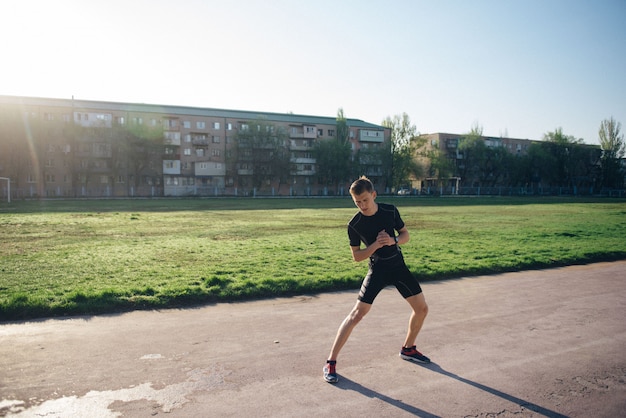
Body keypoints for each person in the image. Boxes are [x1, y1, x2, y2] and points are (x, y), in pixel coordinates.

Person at [323, 176, 430, 383]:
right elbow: (357, 257)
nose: (362, 205)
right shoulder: (354, 224)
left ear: (373, 195)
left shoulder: (390, 210)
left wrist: (394, 240)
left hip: (398, 266)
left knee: (422, 308)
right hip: (378, 269)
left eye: (365, 200)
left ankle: (408, 349)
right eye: (357, 202)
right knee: (356, 315)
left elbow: (405, 234)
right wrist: (376, 245)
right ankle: (331, 362)